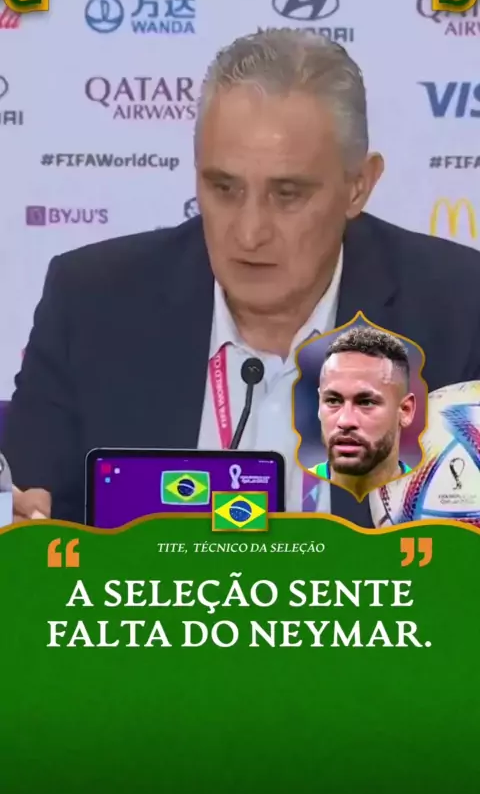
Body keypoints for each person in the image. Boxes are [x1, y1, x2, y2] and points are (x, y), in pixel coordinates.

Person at [2, 28, 480, 526]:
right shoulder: (92, 304)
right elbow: (30, 516)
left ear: (358, 186)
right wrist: (19, 525)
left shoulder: (459, 311)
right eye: (223, 188)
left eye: (287, 194)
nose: (249, 234)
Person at [310, 327, 416, 498]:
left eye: (366, 403)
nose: (345, 421)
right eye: (333, 401)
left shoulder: (440, 503)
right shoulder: (286, 496)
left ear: (405, 411)